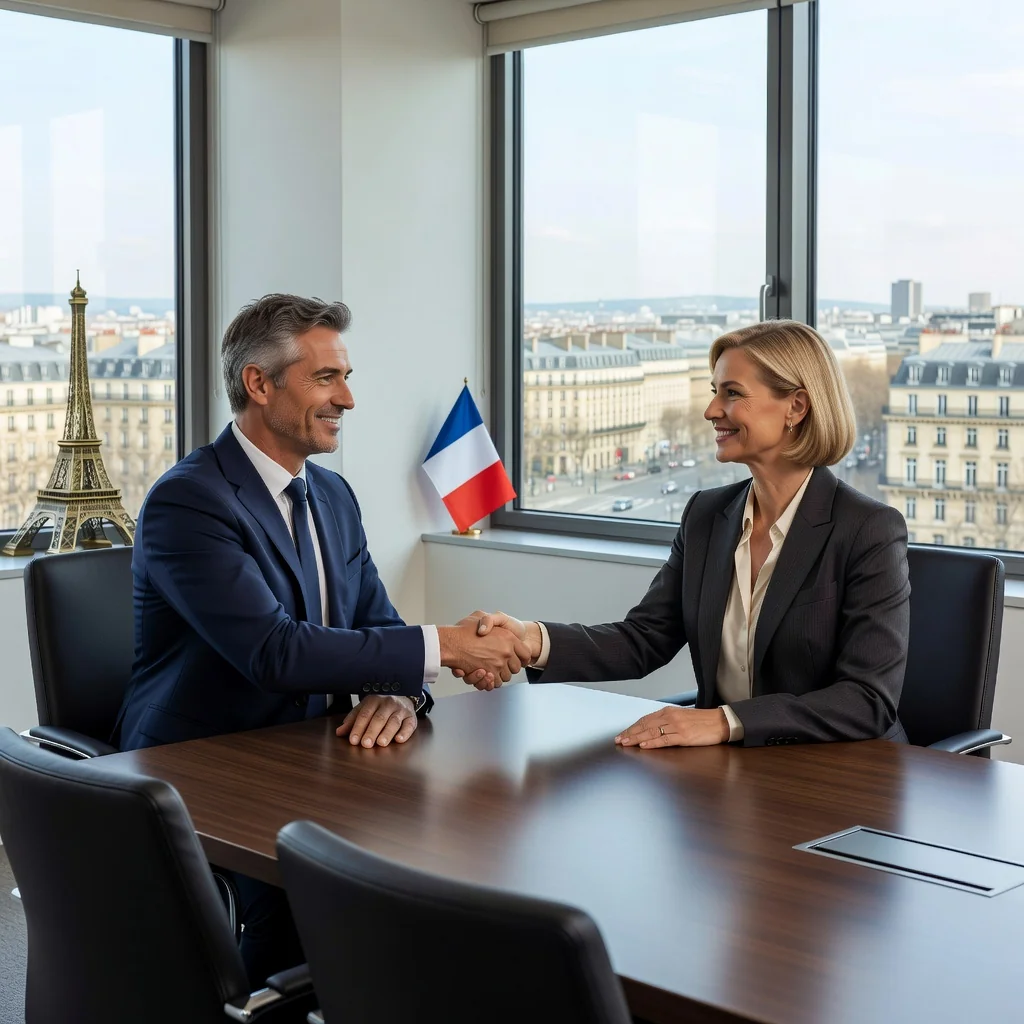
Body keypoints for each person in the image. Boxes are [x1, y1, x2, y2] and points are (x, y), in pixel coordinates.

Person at [115, 292, 529, 989]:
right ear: (258, 383)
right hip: (204, 763)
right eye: (327, 378)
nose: (349, 400)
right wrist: (449, 648)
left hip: (316, 754)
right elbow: (276, 652)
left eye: (347, 377)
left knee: (449, 866)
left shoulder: (332, 496)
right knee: (327, 911)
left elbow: (380, 627)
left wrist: (400, 691)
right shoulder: (190, 501)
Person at [463, 319, 911, 750]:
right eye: (716, 392)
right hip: (731, 776)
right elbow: (643, 640)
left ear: (796, 406)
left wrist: (722, 721)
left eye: (732, 394)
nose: (711, 410)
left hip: (842, 776)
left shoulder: (867, 529)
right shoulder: (706, 516)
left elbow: (866, 699)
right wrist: (530, 638)